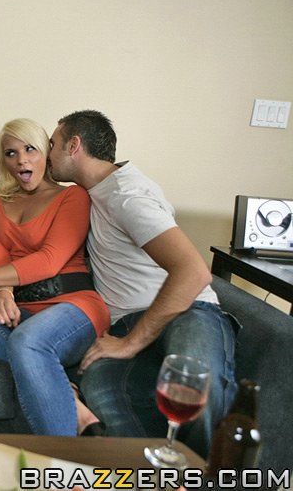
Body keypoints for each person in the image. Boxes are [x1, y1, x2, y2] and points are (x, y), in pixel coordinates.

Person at [47, 109, 238, 457]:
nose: (47, 154)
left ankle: (204, 476)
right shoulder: (91, 193)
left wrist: (130, 344)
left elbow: (193, 272)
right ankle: (151, 475)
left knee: (195, 383)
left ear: (74, 146)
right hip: (125, 322)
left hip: (187, 310)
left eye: (52, 144)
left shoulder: (127, 196)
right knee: (101, 389)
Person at [0, 118, 109, 436]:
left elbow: (50, 261)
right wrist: (2, 293)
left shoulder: (73, 197)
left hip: (74, 308)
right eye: (10, 153)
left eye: (30, 149)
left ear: (46, 152)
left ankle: (60, 459)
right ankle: (59, 385)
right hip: (21, 313)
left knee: (28, 341)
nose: (21, 160)